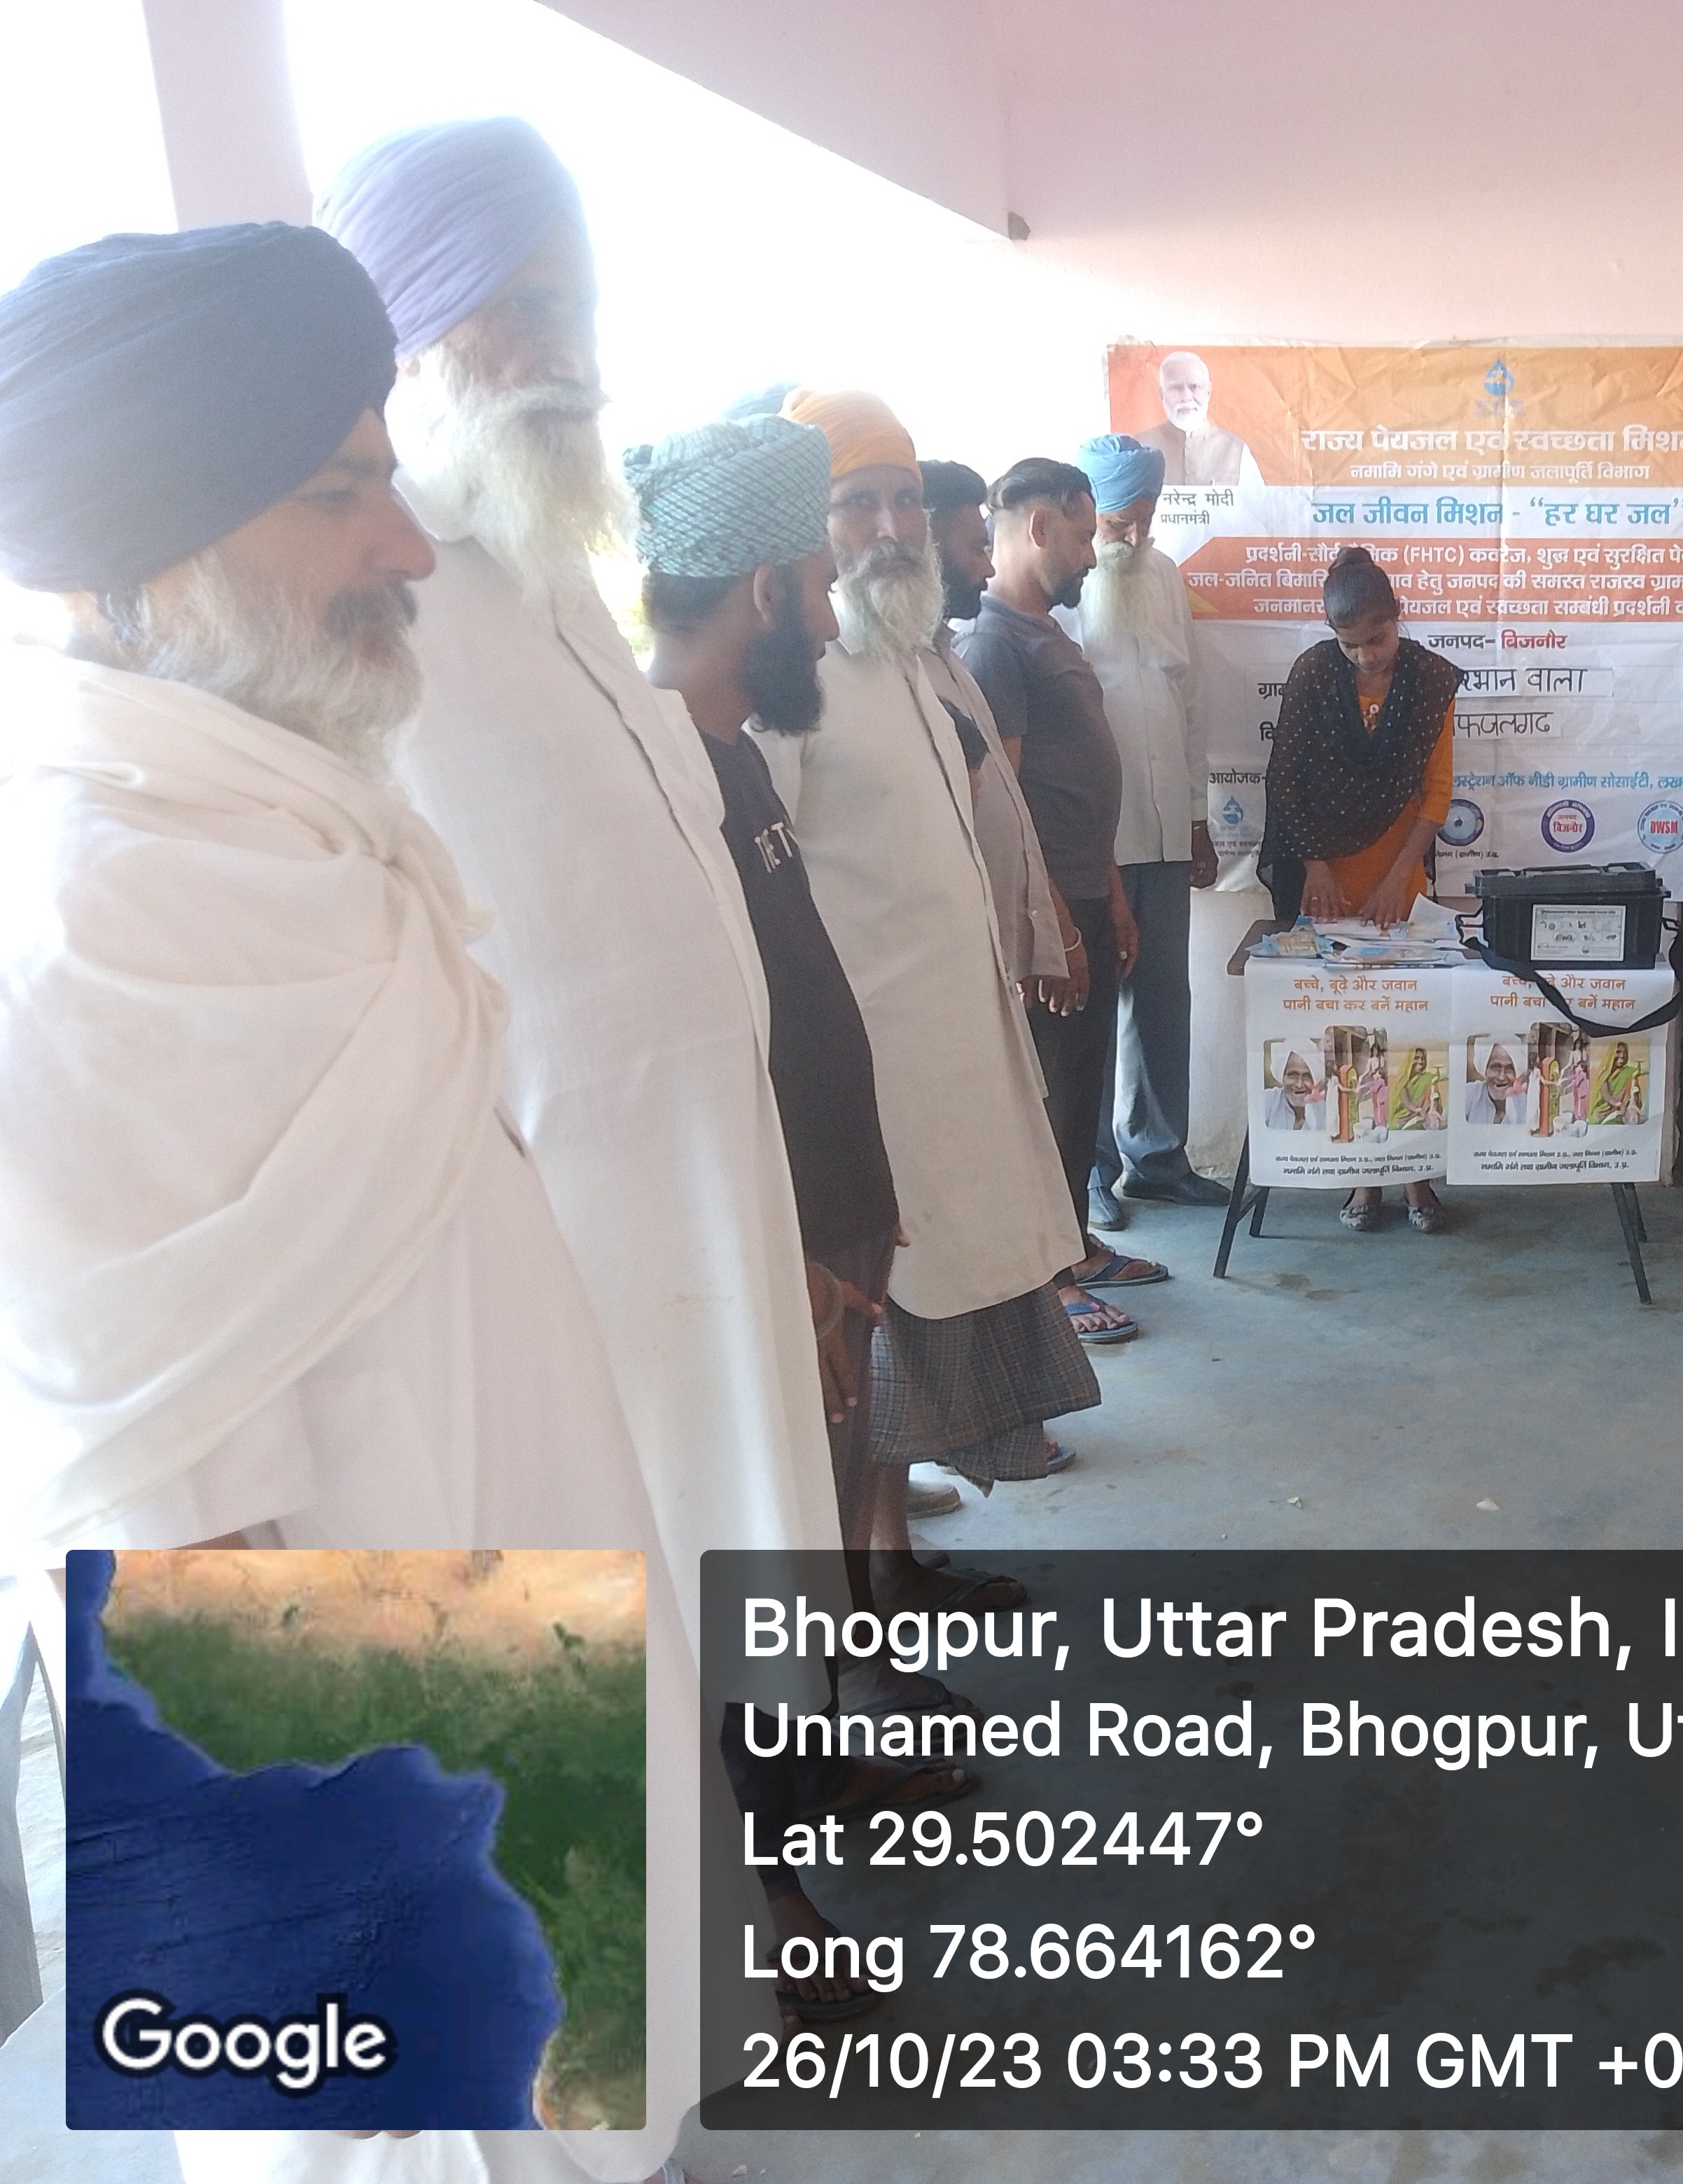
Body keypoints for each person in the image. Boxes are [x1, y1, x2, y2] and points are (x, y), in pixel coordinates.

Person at [0, 221, 698, 2184]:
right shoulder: (80, 923)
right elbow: (165, 1511)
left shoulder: (296, 822)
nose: (407, 544)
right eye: (336, 493)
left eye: (387, 475)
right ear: (148, 552)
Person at [317, 117, 846, 1603]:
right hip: (552, 1260)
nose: (572, 356)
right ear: (404, 321)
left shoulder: (552, 572)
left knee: (740, 1580)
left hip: (711, 1203)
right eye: (525, 305)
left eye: (584, 309)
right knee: (618, 1613)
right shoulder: (362, 611)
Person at [625, 409, 979, 2023]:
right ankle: (762, 1893)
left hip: (821, 1235)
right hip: (750, 1256)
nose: (839, 603)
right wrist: (791, 1248)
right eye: (818, 579)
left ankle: (818, 1775)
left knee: (802, 1537)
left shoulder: (716, 753)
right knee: (737, 1559)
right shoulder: (662, 767)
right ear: (767, 589)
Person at [762, 390, 1102, 1492]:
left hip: (960, 1047)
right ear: (805, 524)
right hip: (869, 1064)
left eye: (906, 500)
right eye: (858, 502)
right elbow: (764, 884)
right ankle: (873, 1574)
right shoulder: (787, 676)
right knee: (873, 1330)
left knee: (943, 1303)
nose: (893, 528)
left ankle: (900, 1555)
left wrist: (1039, 933)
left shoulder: (914, 657)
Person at [956, 455, 1163, 1323]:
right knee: (1049, 1098)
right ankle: (1050, 1284)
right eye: (1080, 536)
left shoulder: (1046, 632)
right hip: (1049, 912)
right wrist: (1055, 928)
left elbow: (1078, 788)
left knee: (1082, 1090)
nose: (1089, 554)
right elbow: (1006, 804)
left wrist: (1108, 896)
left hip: (1084, 894)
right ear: (1038, 527)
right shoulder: (993, 644)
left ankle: (1075, 1244)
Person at [1259, 545, 1459, 1231]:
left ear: (1398, 616)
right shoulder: (1314, 673)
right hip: (1326, 888)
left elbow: (1436, 794)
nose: (1365, 657)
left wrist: (1400, 877)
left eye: (1377, 639)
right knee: (1344, 1035)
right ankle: (1361, 1178)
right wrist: (1315, 866)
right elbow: (1285, 779)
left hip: (1399, 883)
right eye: (1349, 645)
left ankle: (1415, 1178)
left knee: (1407, 1035)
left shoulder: (1430, 681)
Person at [1069, 432, 1227, 1218]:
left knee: (1164, 999)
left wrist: (1197, 818)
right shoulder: (1065, 588)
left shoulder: (1164, 575)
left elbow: (1190, 702)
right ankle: (1090, 1171)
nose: (1133, 537)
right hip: (1095, 842)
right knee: (1095, 1003)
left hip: (1165, 833)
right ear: (1087, 513)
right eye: (1117, 522)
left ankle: (1159, 1158)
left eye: (1146, 518)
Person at [925, 457, 1073, 1014]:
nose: (987, 568)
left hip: (1010, 951)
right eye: (975, 550)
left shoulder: (947, 661)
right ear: (927, 552)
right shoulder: (981, 646)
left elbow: (1004, 806)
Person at [1138, 348, 1264, 486]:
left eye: (1195, 387)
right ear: (1162, 394)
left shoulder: (1236, 449)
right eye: (1176, 388)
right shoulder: (1139, 447)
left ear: (1208, 391)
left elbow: (1257, 500)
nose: (1186, 397)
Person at [1465, 1040, 1523, 1124]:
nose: (1502, 1078)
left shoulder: (1526, 1104)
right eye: (1495, 1067)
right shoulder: (1470, 1094)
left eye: (1509, 1068)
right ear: (1485, 1070)